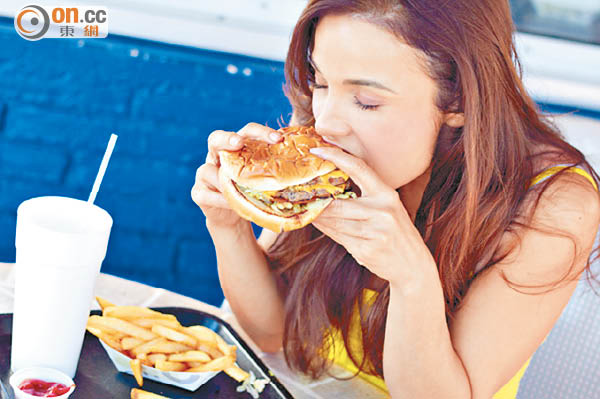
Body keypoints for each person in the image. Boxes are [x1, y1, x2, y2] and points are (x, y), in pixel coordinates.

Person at [191, 0, 600, 397]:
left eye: (366, 101)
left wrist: (411, 278)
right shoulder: (329, 129)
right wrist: (228, 225)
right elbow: (271, 332)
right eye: (320, 82)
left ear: (458, 99)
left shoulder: (556, 203)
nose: (326, 123)